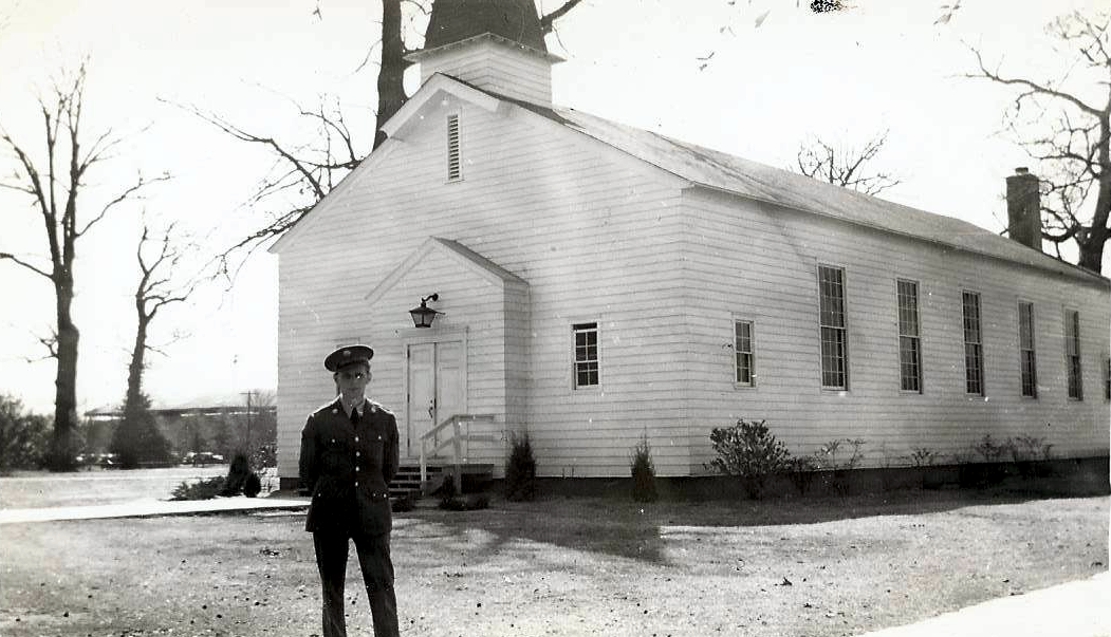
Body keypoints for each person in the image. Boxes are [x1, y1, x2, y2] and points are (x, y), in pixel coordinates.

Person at [299, 344, 400, 637]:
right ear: (336, 381)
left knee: (381, 585)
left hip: (372, 514)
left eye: (358, 375)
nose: (353, 383)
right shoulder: (319, 421)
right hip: (330, 514)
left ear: (368, 377)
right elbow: (308, 472)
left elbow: (389, 470)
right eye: (346, 377)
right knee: (332, 589)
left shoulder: (384, 419)